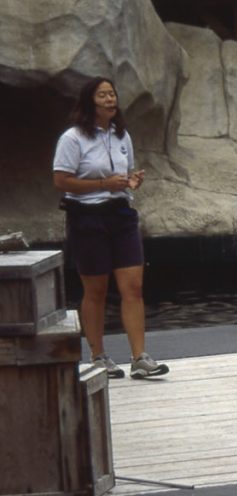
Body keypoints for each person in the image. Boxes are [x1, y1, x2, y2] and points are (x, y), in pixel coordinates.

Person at [53, 76, 168, 380]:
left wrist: (130, 181)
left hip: (120, 214)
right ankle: (98, 355)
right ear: (90, 101)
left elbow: (123, 174)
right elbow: (61, 181)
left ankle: (139, 357)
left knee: (133, 287)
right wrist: (103, 184)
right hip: (87, 217)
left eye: (113, 94)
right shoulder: (73, 138)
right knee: (97, 290)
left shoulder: (121, 135)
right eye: (103, 95)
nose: (110, 100)